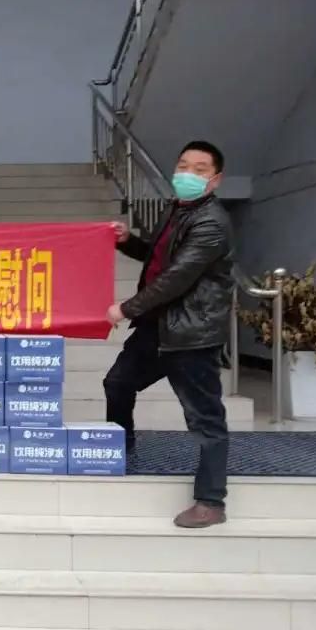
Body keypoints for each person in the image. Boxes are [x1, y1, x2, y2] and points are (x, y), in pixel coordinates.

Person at [105, 140, 234, 529]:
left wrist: (127, 307)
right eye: (183, 166)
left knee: (205, 418)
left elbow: (178, 277)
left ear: (215, 180)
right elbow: (159, 259)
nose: (188, 174)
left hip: (191, 333)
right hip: (157, 327)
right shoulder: (177, 209)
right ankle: (120, 449)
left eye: (199, 169)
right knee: (118, 383)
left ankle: (211, 502)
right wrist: (127, 241)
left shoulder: (211, 222)